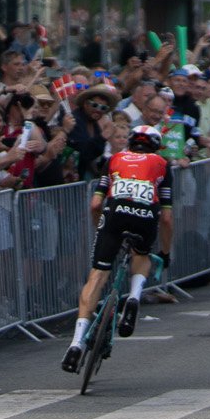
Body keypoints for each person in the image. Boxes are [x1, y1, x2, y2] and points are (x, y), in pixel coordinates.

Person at [61, 124, 175, 372]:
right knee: (142, 254)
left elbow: (94, 204)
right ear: (156, 145)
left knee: (97, 277)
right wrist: (165, 253)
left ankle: (76, 343)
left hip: (114, 216)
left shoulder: (114, 159)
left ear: (131, 142)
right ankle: (133, 297)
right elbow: (166, 218)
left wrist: (100, 229)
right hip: (145, 216)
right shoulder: (162, 164)